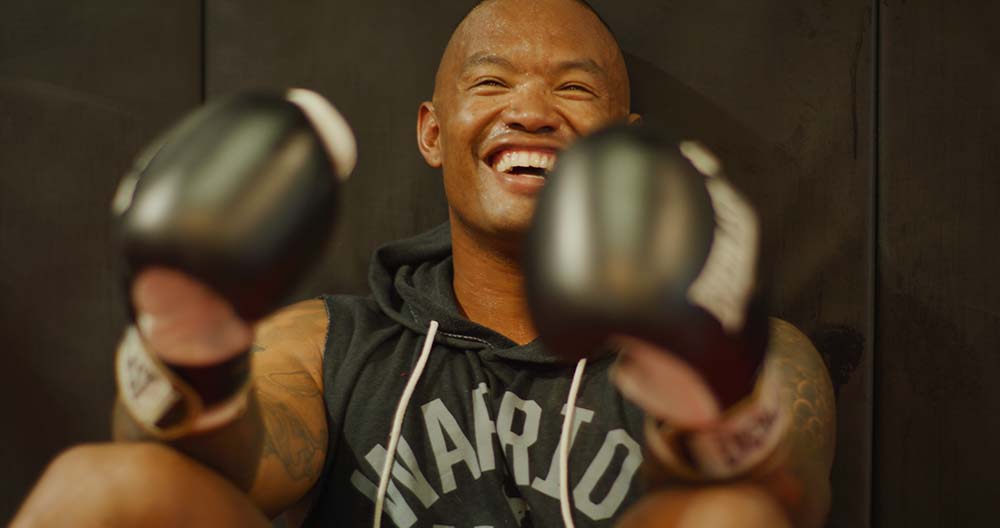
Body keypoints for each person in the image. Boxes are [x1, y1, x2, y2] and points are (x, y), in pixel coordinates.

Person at [13, 0, 834, 526]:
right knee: (106, 484)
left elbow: (786, 497)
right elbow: (213, 468)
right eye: (492, 80)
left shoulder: (752, 349)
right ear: (433, 132)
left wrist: (711, 381)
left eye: (575, 92)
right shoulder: (332, 342)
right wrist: (187, 338)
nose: (531, 110)